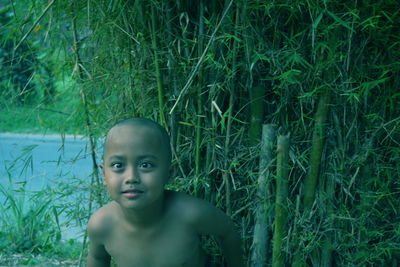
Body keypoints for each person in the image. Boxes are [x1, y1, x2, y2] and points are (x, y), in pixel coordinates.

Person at [87, 118, 244, 267]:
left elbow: (228, 231)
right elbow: (97, 257)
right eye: (117, 165)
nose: (132, 178)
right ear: (104, 174)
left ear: (169, 173)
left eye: (146, 165)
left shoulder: (190, 214)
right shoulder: (102, 225)